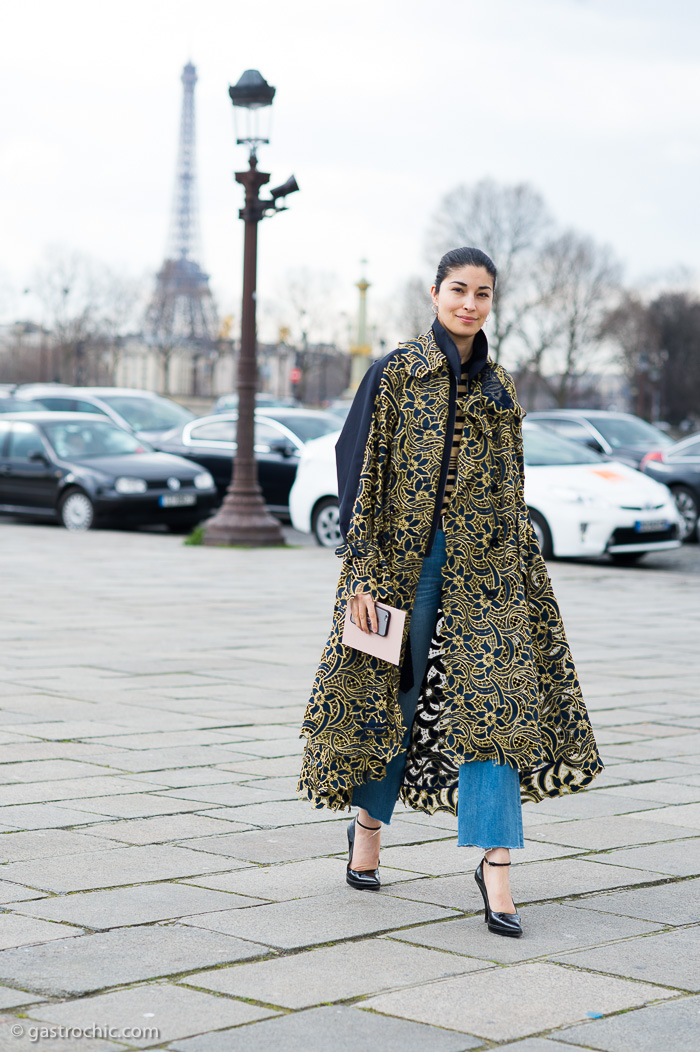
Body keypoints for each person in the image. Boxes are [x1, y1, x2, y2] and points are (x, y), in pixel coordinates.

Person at [298, 247, 602, 937]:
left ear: (493, 302)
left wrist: (522, 572)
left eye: (483, 294)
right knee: (390, 695)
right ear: (434, 293)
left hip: (489, 570)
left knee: (494, 706)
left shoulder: (502, 386)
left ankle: (496, 866)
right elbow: (358, 468)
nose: (470, 304)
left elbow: (512, 487)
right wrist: (362, 575)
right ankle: (369, 826)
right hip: (401, 566)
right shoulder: (398, 371)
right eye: (458, 290)